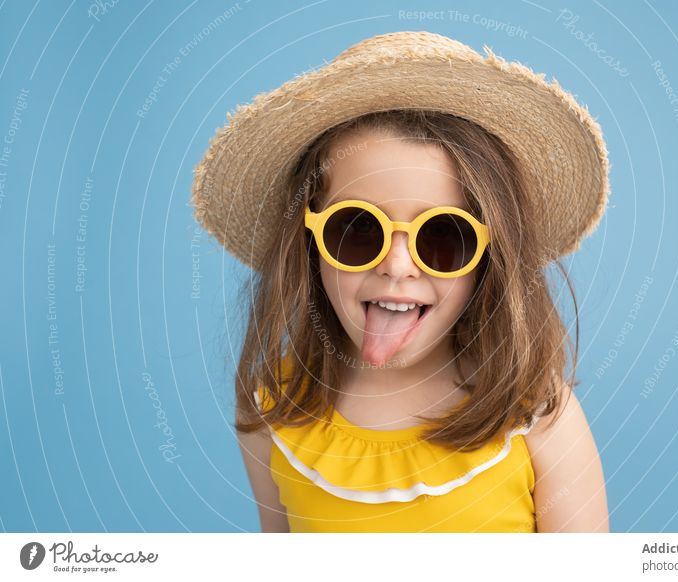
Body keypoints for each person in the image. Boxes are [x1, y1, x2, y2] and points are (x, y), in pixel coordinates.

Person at [192, 30, 610, 532]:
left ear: (489, 257)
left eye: (443, 237)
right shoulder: (273, 409)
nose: (396, 265)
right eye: (358, 229)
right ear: (308, 241)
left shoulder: (536, 411)